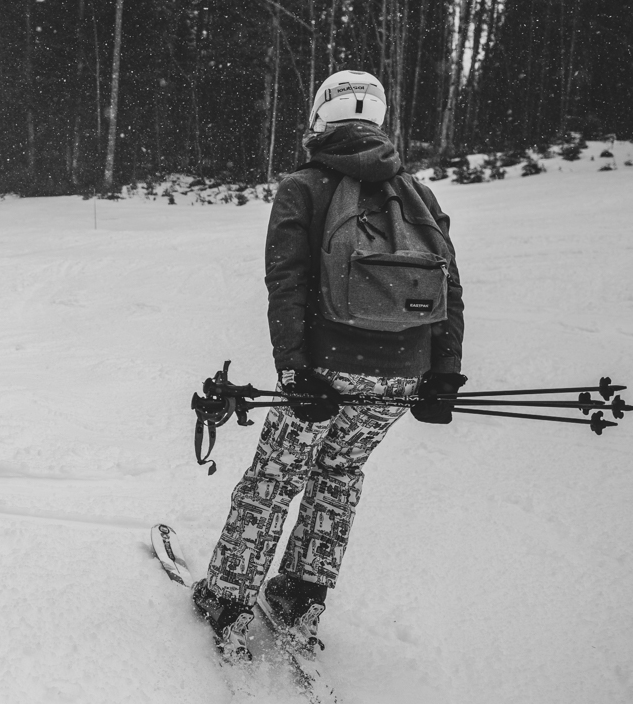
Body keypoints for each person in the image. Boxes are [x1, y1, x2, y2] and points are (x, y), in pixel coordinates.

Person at [191, 69, 467, 659]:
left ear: (321, 117)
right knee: (338, 477)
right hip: (403, 373)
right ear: (379, 119)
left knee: (273, 478)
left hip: (326, 366)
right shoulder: (417, 192)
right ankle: (299, 595)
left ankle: (229, 598)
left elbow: (285, 282)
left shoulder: (302, 186)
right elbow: (451, 287)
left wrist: (293, 369)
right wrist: (442, 374)